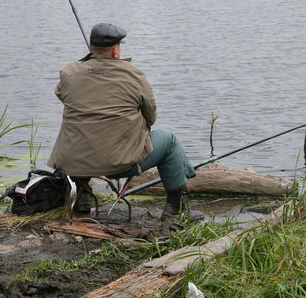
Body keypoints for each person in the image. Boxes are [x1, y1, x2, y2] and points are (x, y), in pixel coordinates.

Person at [48, 23, 197, 219]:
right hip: (120, 165)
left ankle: (84, 196)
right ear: (116, 50)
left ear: (90, 47)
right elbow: (151, 116)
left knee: (84, 134)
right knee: (169, 140)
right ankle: (175, 209)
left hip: (73, 162)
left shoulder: (69, 72)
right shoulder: (133, 73)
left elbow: (62, 95)